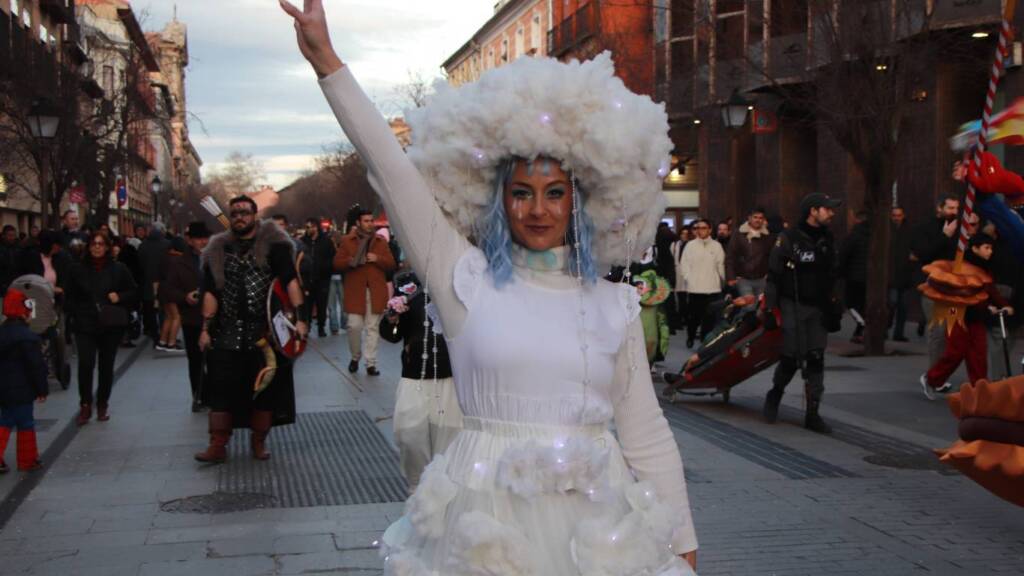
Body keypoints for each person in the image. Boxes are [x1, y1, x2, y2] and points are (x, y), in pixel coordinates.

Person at [282, 3, 699, 572]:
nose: (538, 209)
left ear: (578, 202)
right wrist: (329, 64)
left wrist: (682, 537)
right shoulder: (464, 280)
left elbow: (645, 430)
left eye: (555, 193)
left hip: (598, 530)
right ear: (500, 201)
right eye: (521, 192)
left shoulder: (613, 305)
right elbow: (392, 173)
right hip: (482, 525)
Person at [194, 196, 307, 463]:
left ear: (255, 215)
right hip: (226, 330)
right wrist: (205, 328)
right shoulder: (218, 249)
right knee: (220, 390)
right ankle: (218, 444)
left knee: (264, 391)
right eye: (234, 213)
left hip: (265, 333)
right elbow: (210, 292)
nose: (239, 217)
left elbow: (290, 282)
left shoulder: (274, 247)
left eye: (244, 212)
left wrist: (301, 319)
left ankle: (258, 442)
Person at [762, 193, 842, 434]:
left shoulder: (828, 238)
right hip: (793, 304)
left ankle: (813, 413)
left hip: (819, 308)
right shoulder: (789, 238)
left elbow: (834, 273)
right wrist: (769, 308)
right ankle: (775, 394)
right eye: (827, 209)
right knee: (791, 357)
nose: (832, 213)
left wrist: (836, 305)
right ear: (813, 211)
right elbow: (774, 275)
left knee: (816, 357)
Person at [380, 271, 462, 489]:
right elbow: (391, 334)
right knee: (409, 435)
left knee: (448, 440)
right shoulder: (408, 284)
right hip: (414, 376)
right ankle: (417, 490)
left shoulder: (462, 279)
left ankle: (443, 494)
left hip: (451, 378)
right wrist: (391, 319)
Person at [919, 233, 1012, 398]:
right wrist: (987, 306)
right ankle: (931, 379)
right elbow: (960, 293)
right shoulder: (962, 267)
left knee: (978, 355)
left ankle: (979, 389)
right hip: (957, 314)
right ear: (975, 248)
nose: (990, 251)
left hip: (976, 317)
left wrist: (1003, 305)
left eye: (991, 248)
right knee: (955, 352)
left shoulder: (985, 267)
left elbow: (990, 290)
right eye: (986, 248)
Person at [65, 232, 137, 425]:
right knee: (86, 364)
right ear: (88, 247)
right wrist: (76, 312)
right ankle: (85, 404)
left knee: (106, 366)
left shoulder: (118, 269)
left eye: (101, 244)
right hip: (85, 323)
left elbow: (133, 291)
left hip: (110, 324)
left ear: (107, 247)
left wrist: (119, 297)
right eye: (93, 244)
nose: (97, 247)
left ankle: (103, 402)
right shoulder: (77, 269)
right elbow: (68, 296)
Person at [334, 206, 396, 376]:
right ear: (358, 222)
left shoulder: (380, 241)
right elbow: (336, 263)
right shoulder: (347, 241)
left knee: (372, 328)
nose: (370, 224)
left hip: (375, 291)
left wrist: (377, 258)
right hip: (355, 291)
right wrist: (351, 260)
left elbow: (391, 264)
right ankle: (355, 357)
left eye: (371, 220)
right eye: (366, 221)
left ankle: (370, 363)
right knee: (353, 326)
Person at [161, 222, 212, 412]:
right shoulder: (179, 263)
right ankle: (199, 396)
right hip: (192, 318)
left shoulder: (217, 259)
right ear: (190, 241)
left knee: (216, 360)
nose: (203, 242)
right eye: (199, 238)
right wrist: (185, 297)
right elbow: (168, 289)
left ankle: (215, 397)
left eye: (205, 238)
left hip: (215, 318)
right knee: (196, 360)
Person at [0, 288, 48, 473]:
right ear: (23, 313)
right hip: (22, 389)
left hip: (4, 388)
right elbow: (36, 367)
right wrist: (41, 389)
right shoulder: (28, 338)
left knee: (6, 419)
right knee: (25, 423)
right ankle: (27, 460)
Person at [910, 195, 960, 363]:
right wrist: (945, 236)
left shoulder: (959, 229)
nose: (954, 212)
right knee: (937, 330)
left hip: (953, 290)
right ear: (940, 208)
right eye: (950, 208)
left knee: (952, 328)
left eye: (956, 208)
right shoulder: (923, 228)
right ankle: (935, 372)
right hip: (932, 288)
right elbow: (924, 254)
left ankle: (943, 369)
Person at [680, 218, 725, 348]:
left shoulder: (717, 246)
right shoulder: (690, 245)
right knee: (693, 317)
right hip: (695, 288)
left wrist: (723, 280)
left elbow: (720, 265)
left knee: (709, 318)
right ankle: (690, 336)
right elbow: (684, 265)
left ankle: (704, 342)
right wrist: (689, 278)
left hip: (712, 288)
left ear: (710, 230)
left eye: (703, 228)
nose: (700, 230)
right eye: (698, 228)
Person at [725, 207, 774, 309]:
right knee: (749, 307)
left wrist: (769, 274)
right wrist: (731, 276)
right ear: (749, 218)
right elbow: (731, 256)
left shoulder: (767, 235)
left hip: (762, 278)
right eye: (755, 217)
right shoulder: (739, 234)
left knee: (760, 308)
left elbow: (771, 256)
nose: (758, 220)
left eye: (760, 218)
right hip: (743, 278)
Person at [838, 210, 869, 344]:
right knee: (863, 304)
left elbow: (844, 254)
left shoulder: (854, 235)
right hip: (869, 277)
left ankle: (862, 324)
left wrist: (839, 271)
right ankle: (861, 329)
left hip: (854, 276)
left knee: (851, 303)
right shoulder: (874, 234)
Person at [303, 217, 336, 338]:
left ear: (316, 227)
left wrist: (326, 268)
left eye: (311, 226)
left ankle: (321, 327)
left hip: (322, 279)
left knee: (322, 304)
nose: (309, 229)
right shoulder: (303, 241)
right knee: (307, 305)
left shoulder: (326, 241)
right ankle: (307, 326)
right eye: (307, 227)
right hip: (307, 279)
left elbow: (333, 258)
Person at [137, 223, 170, 342]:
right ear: (162, 231)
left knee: (150, 309)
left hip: (147, 282)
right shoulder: (167, 244)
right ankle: (165, 334)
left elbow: (139, 264)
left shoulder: (143, 245)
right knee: (165, 310)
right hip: (164, 282)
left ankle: (154, 332)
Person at [156, 236, 187, 353]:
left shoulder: (164, 257)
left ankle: (162, 341)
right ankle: (172, 343)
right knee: (177, 316)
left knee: (169, 316)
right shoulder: (178, 260)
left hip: (163, 289)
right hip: (172, 291)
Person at [889, 206, 913, 341]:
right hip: (891, 274)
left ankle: (898, 333)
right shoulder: (887, 231)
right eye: (894, 215)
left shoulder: (909, 231)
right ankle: (885, 328)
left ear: (903, 216)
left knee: (903, 307)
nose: (896, 218)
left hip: (905, 274)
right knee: (891, 303)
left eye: (899, 215)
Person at [326, 229, 347, 334]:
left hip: (341, 277)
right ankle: (334, 327)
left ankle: (344, 323)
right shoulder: (327, 249)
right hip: (330, 278)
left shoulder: (343, 248)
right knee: (332, 305)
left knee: (343, 304)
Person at [0, 225, 20, 296]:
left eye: (14, 235)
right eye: (10, 235)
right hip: (3, 287)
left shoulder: (18, 248)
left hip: (16, 285)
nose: (12, 238)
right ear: (3, 236)